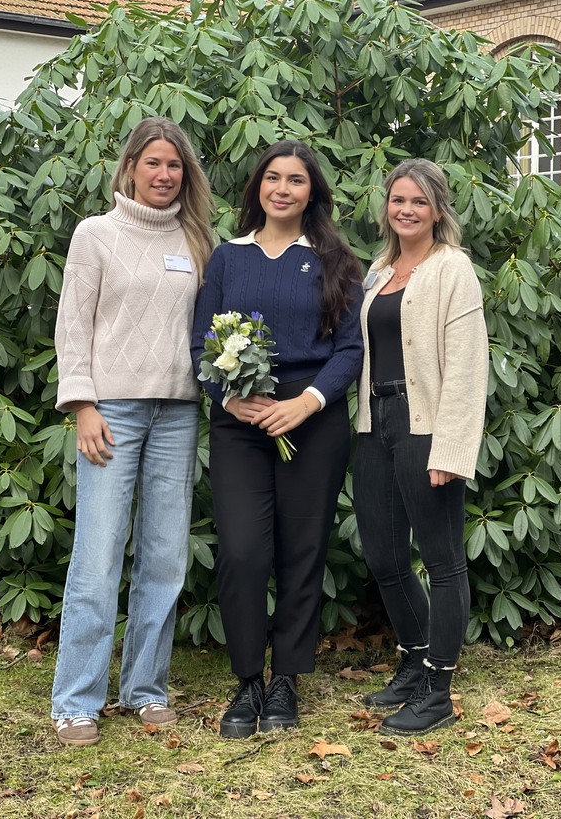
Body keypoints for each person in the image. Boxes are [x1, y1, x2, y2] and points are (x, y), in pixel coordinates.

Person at [191, 140, 363, 738]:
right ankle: (247, 681)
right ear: (257, 187)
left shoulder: (336, 260)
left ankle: (286, 677)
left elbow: (350, 350)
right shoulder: (226, 258)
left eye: (295, 180)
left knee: (301, 550)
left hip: (311, 420)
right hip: (238, 423)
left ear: (311, 192)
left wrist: (306, 402)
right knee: (242, 550)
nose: (282, 189)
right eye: (272, 178)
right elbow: (199, 344)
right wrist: (228, 397)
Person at [51, 117, 214, 747]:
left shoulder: (196, 239)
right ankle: (76, 700)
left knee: (165, 556)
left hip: (177, 412)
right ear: (130, 168)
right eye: (153, 163)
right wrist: (82, 404)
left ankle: (146, 688)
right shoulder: (96, 234)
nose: (164, 174)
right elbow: (73, 324)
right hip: (111, 412)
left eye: (174, 165)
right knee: (98, 554)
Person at [353, 158, 489, 736]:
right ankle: (413, 661)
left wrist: (451, 449)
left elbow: (467, 365)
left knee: (442, 559)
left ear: (437, 210)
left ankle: (438, 689)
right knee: (383, 555)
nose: (406, 209)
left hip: (425, 423)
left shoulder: (453, 268)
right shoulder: (378, 271)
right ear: (386, 206)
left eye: (419, 201)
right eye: (398, 199)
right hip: (374, 422)